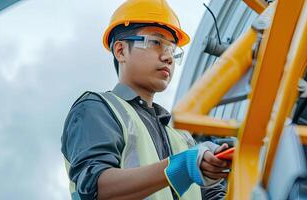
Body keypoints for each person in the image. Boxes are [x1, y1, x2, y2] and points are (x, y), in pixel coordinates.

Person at [61, 0, 230, 199]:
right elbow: (95, 190)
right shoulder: (97, 109)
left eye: (172, 49)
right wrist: (180, 167)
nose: (168, 57)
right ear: (121, 51)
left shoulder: (180, 135)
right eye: (156, 42)